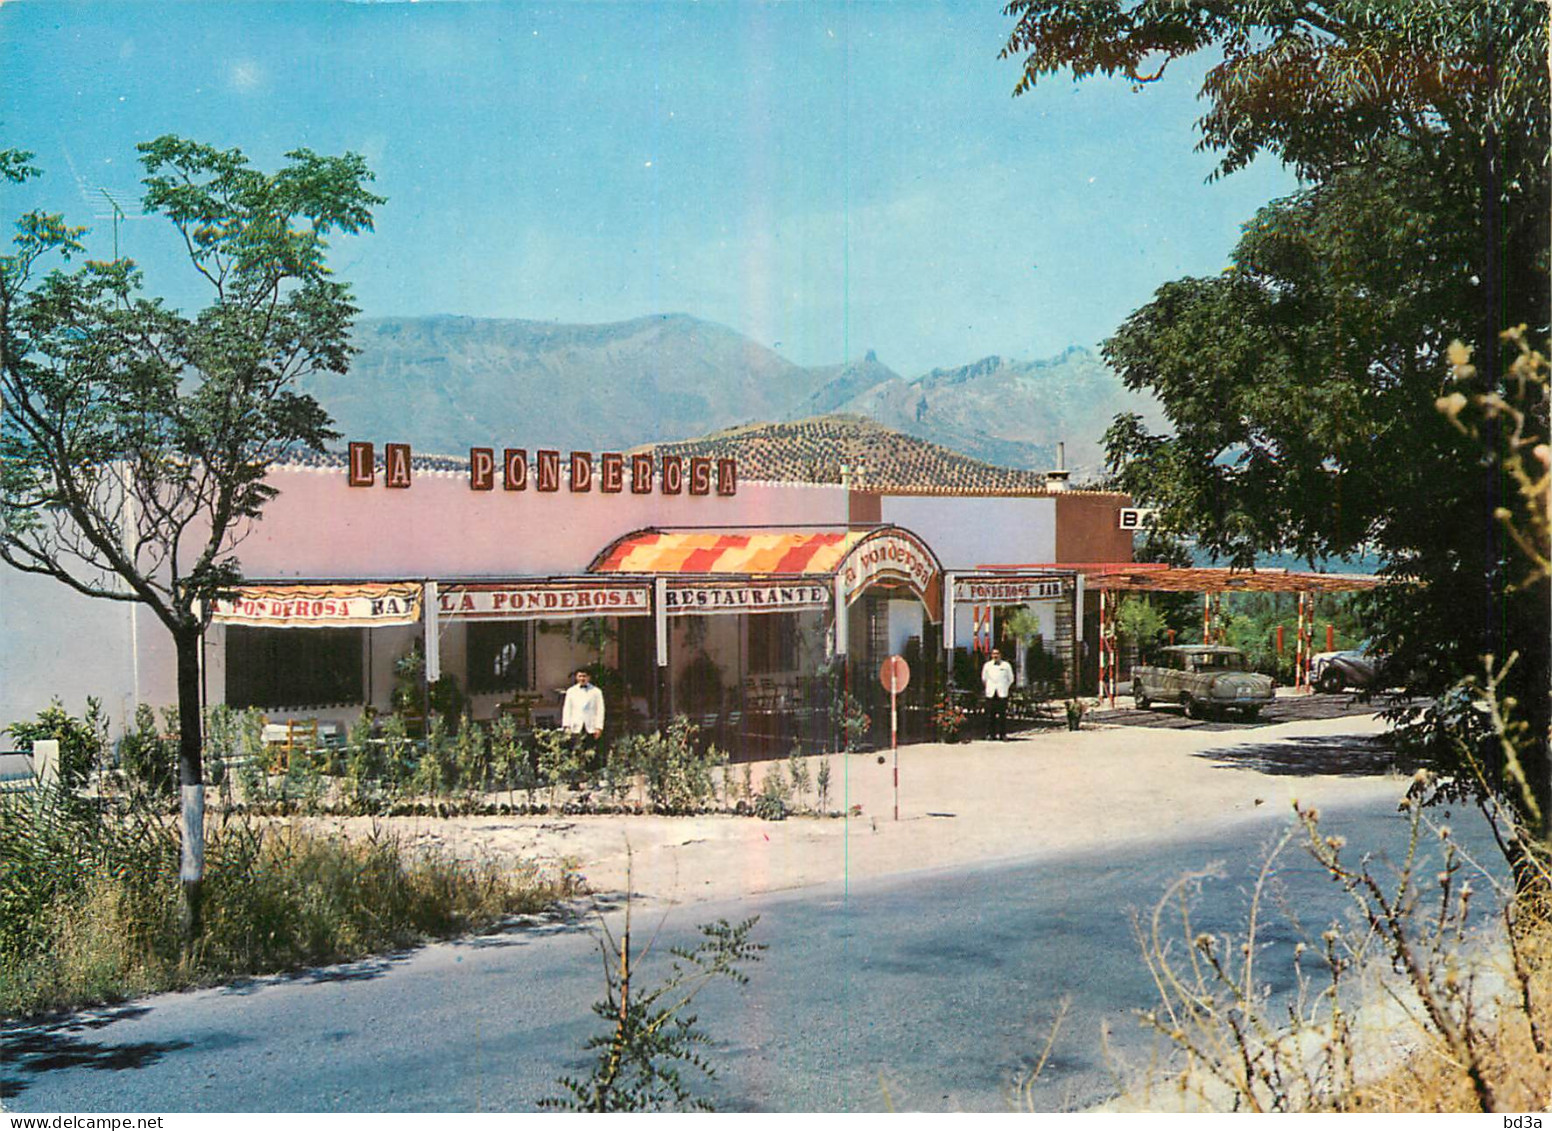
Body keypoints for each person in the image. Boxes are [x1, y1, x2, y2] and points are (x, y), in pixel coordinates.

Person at [561, 667, 605, 749]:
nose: (582, 678)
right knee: (575, 751)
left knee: (590, 752)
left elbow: (600, 710)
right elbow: (567, 709)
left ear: (589, 677)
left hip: (590, 726)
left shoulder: (596, 692)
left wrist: (599, 727)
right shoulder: (571, 691)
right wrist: (566, 726)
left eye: (584, 676)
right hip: (575, 726)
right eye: (580, 676)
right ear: (576, 677)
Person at [981, 647, 1014, 740]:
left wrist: (1004, 687)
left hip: (1002, 693)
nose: (995, 655)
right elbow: (984, 678)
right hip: (991, 693)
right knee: (990, 715)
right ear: (991, 655)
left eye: (997, 653)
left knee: (1002, 715)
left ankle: (1002, 734)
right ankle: (990, 734)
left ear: (1000, 655)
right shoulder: (987, 665)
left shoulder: (1006, 665)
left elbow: (1011, 679)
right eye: (994, 654)